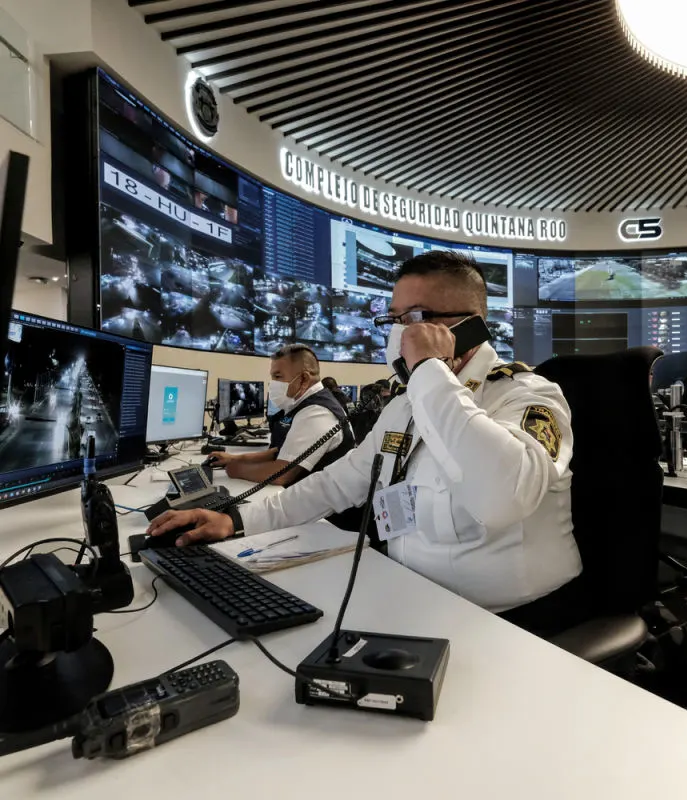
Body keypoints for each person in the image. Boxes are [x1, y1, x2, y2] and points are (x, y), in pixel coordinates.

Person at [148, 252, 583, 634]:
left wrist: (431, 370)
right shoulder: (405, 408)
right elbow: (335, 484)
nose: (398, 334)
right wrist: (237, 520)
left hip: (514, 624)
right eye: (393, 319)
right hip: (411, 602)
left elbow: (500, 497)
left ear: (467, 328)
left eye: (413, 319)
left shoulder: (528, 396)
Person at [210, 344, 354, 487]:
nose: (273, 384)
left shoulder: (317, 412)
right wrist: (234, 459)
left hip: (322, 505)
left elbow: (283, 473)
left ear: (303, 379)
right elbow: (280, 452)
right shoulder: (302, 404)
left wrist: (236, 470)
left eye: (278, 376)